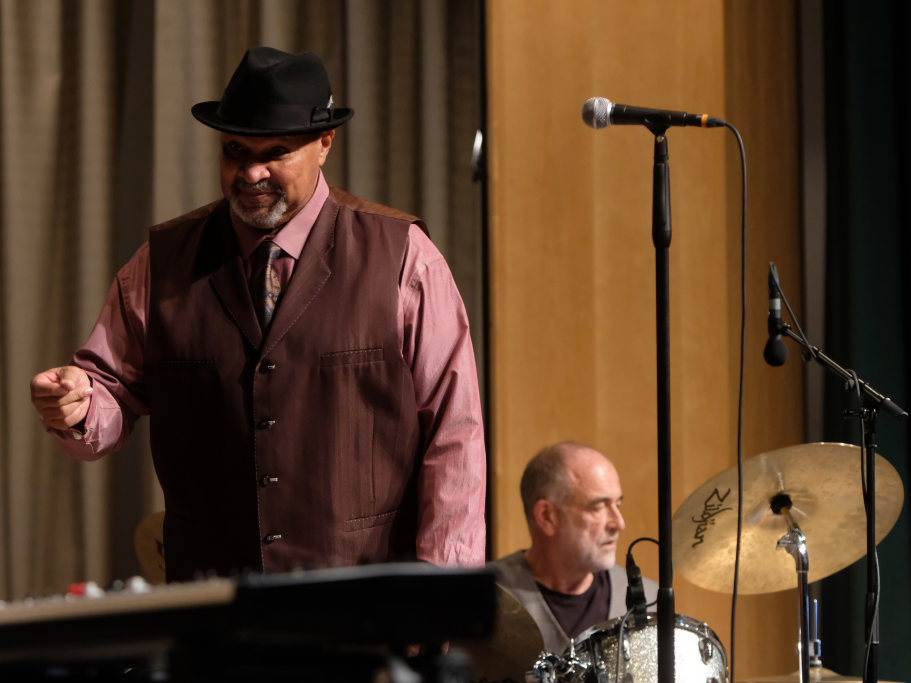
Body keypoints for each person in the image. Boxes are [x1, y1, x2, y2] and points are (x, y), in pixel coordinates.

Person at [29, 47, 486, 582]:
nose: (251, 172)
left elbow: (454, 434)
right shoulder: (161, 263)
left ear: (325, 144)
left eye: (275, 152)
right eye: (235, 151)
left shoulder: (404, 256)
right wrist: (78, 404)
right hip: (213, 604)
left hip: (363, 604)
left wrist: (441, 596)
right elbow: (110, 391)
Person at [490, 442, 657, 655]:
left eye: (618, 505)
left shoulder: (650, 600)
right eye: (598, 507)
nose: (618, 523)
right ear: (547, 516)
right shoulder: (486, 596)